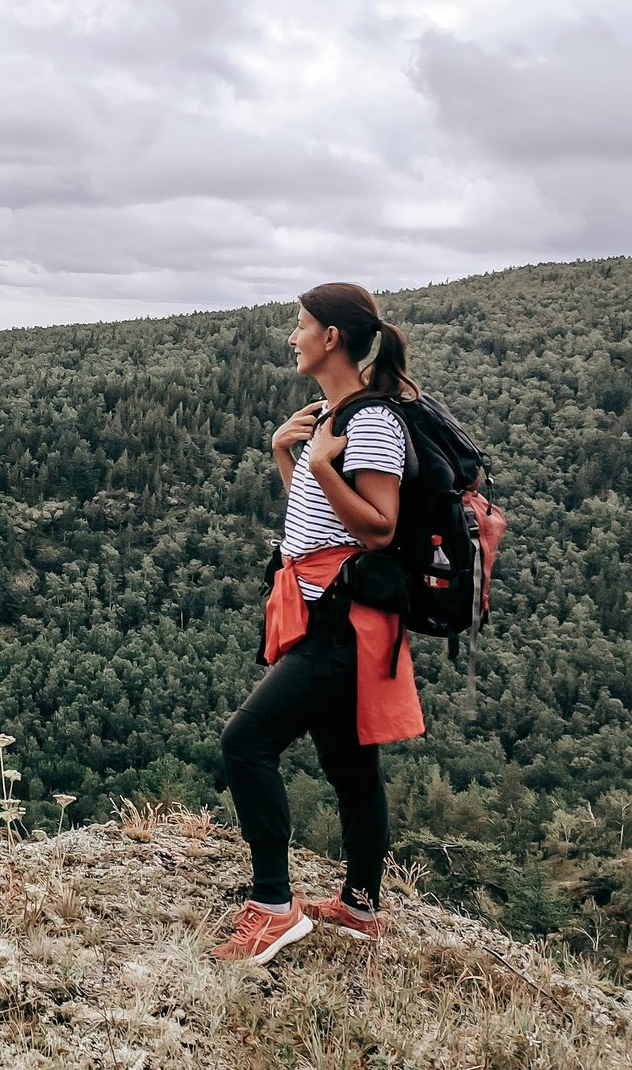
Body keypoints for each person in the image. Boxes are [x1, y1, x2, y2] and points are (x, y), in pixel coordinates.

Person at [210, 281, 424, 965]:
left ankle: (274, 907)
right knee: (348, 760)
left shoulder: (371, 423)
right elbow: (318, 525)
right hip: (323, 609)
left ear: (331, 336)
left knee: (246, 742)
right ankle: (360, 906)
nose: (292, 337)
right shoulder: (333, 414)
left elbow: (381, 529)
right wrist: (289, 456)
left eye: (300, 325)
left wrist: (325, 463)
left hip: (345, 622)